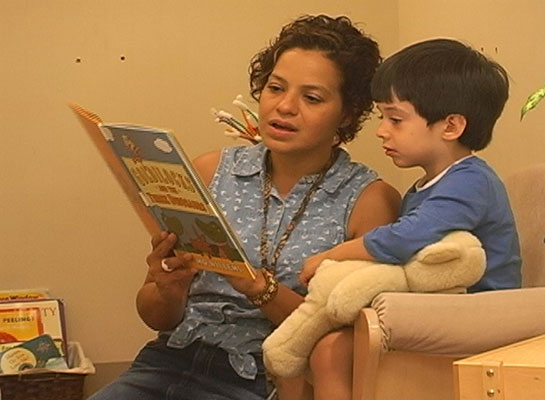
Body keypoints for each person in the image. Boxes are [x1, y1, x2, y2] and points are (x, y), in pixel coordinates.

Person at [87, 14, 401, 400]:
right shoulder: (211, 170)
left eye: (312, 98)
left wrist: (258, 287)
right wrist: (167, 285)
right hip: (165, 362)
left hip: (263, 379)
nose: (284, 107)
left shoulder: (369, 200)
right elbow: (156, 316)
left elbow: (349, 339)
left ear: (348, 113)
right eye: (275, 88)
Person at [299, 38, 522, 399]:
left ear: (451, 127)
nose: (382, 130)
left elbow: (403, 240)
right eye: (382, 117)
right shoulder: (427, 185)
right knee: (323, 348)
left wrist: (331, 256)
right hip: (444, 310)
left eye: (396, 119)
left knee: (331, 351)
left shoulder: (471, 181)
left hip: (482, 318)